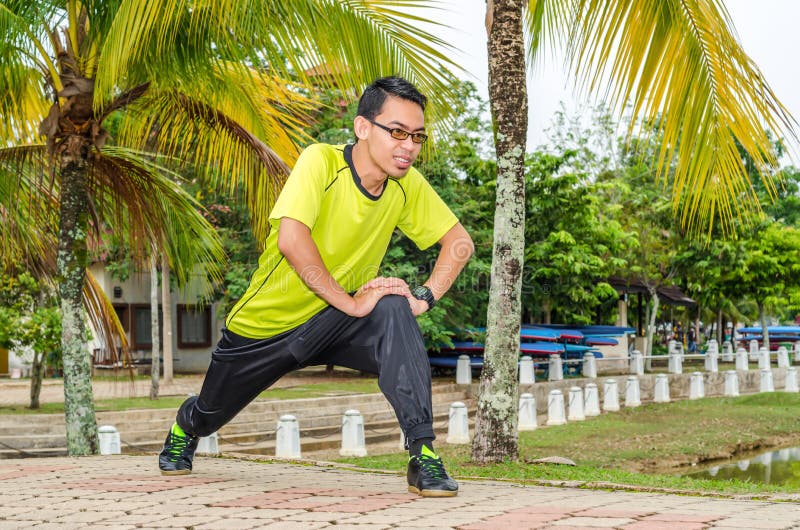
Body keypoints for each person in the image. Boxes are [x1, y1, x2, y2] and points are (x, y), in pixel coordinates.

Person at [158, 76, 474, 498]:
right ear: (363, 127)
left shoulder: (406, 185)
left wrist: (424, 297)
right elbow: (292, 241)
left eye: (417, 136)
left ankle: (423, 454)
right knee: (211, 415)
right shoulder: (321, 162)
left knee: (394, 306)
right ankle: (186, 424)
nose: (409, 146)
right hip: (268, 326)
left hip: (336, 321)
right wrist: (352, 302)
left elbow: (459, 243)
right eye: (397, 132)